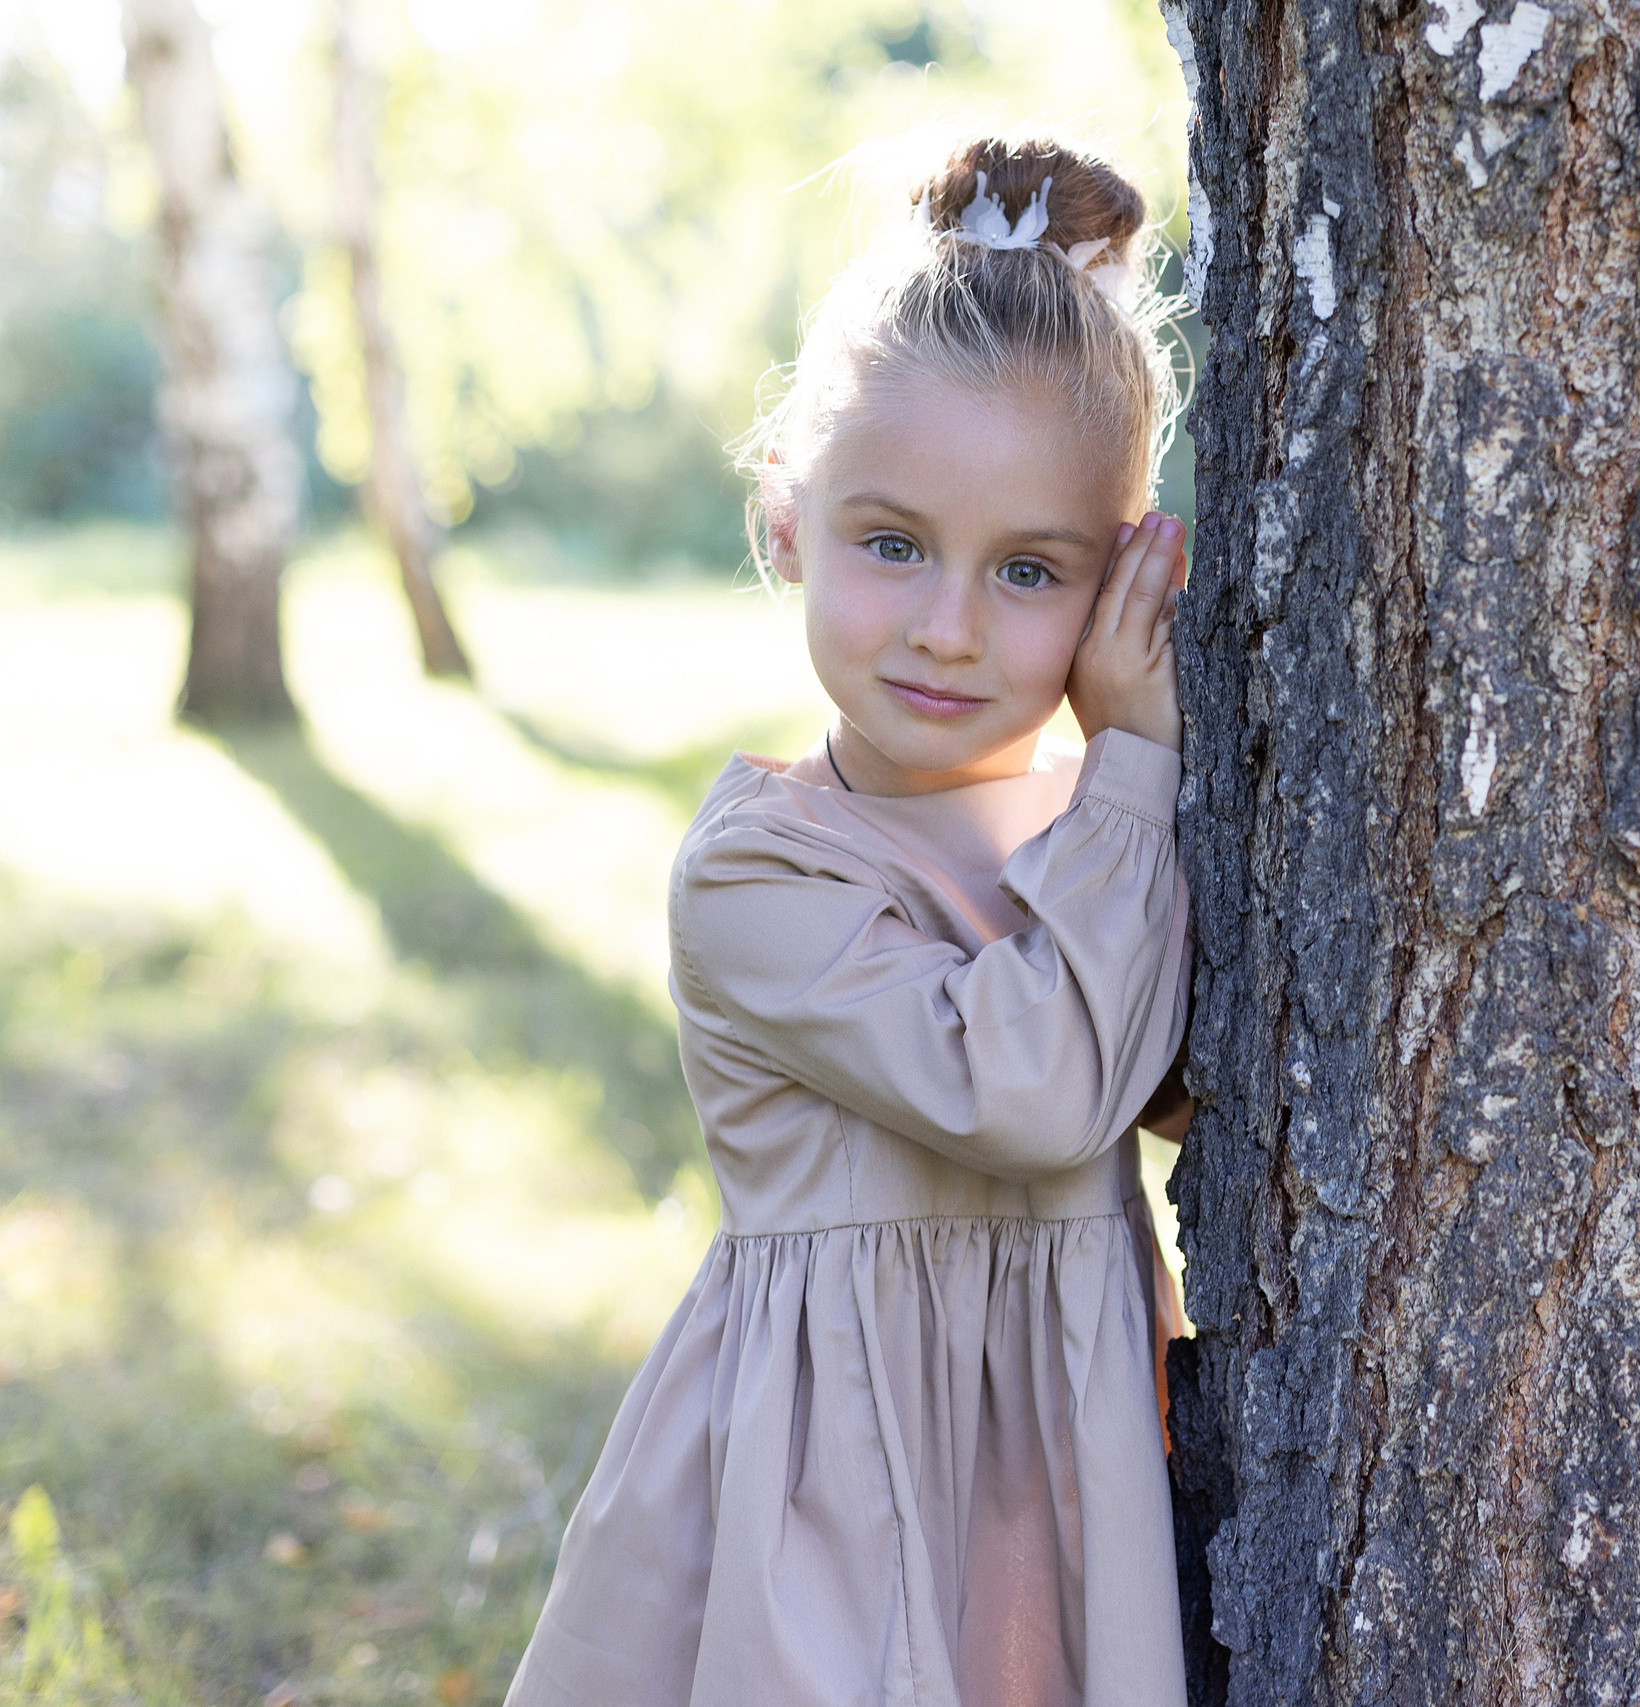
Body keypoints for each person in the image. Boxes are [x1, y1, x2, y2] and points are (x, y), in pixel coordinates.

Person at [504, 137, 1194, 1707]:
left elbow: (1189, 1086)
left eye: (1030, 571)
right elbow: (1036, 1093)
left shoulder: (1105, 828)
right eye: (893, 545)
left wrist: (1127, 795)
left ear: (1117, 587)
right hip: (830, 1491)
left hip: (1060, 1474)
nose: (948, 628)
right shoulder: (758, 875)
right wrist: (1137, 779)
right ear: (785, 518)